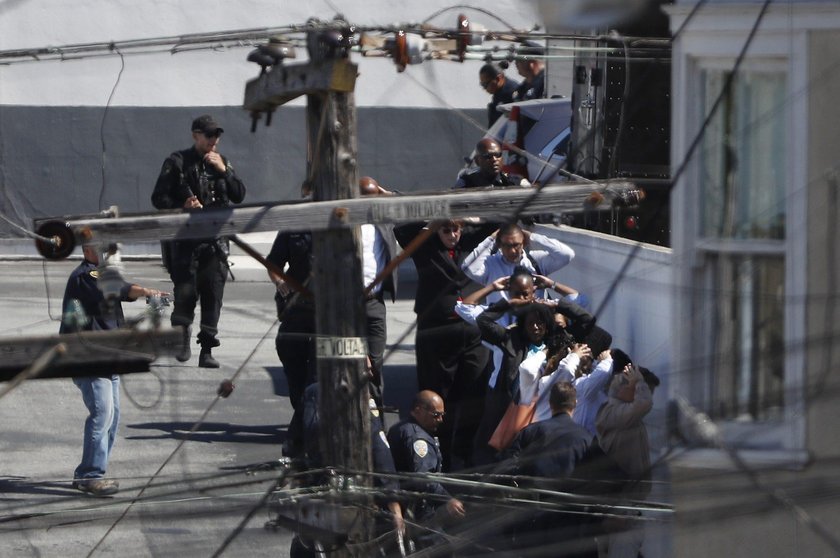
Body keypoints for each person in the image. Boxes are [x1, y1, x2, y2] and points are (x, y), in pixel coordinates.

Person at [60, 244, 168, 496]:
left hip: (109, 357)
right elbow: (120, 289)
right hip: (88, 358)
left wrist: (150, 296)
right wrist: (147, 291)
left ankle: (94, 471)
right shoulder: (86, 275)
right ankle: (90, 475)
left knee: (112, 417)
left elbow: (124, 291)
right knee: (102, 413)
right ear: (88, 250)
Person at [394, 219, 497, 470]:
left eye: (456, 229)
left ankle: (465, 448)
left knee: (475, 390)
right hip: (437, 329)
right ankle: (441, 451)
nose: (452, 235)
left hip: (471, 330)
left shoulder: (470, 243)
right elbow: (402, 228)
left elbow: (496, 220)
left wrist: (472, 219)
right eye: (446, 230)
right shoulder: (425, 247)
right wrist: (433, 220)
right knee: (439, 394)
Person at [151, 114, 246, 368]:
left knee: (213, 295)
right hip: (185, 242)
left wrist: (224, 172)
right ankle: (181, 338)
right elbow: (158, 198)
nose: (214, 140)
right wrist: (182, 204)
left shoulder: (222, 163)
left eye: (217, 135)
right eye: (209, 135)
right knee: (186, 292)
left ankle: (207, 348)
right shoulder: (178, 162)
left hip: (216, 243)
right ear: (196, 135)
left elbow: (239, 195)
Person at [387, 390, 465, 548]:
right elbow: (423, 478)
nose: (440, 420)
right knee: (441, 550)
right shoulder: (417, 438)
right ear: (418, 411)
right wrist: (447, 499)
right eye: (436, 415)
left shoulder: (401, 427)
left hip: (409, 505)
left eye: (442, 414)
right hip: (419, 510)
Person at [595, 363, 658, 558]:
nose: (647, 394)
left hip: (626, 507)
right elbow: (644, 403)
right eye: (642, 389)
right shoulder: (614, 413)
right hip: (619, 509)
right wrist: (638, 381)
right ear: (627, 389)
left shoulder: (626, 417)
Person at [266, 226, 316, 457]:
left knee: (317, 375)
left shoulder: (339, 223)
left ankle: (308, 428)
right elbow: (273, 262)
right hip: (295, 308)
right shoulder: (295, 226)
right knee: (289, 353)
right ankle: (303, 414)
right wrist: (279, 282)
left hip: (327, 311)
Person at [461, 222, 575, 303]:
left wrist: (532, 236)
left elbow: (566, 255)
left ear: (524, 243)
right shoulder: (491, 264)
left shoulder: (535, 260)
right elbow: (468, 267)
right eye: (507, 246)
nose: (512, 251)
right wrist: (491, 239)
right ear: (499, 244)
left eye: (516, 245)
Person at [359, 177, 398, 395]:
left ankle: (376, 422)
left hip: (374, 302)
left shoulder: (384, 220)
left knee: (375, 364)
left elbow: (418, 210)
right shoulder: (342, 221)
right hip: (345, 306)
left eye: (374, 199)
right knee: (351, 361)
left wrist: (390, 197)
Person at [454, 138, 527, 189]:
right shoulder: (465, 183)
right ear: (477, 160)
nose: (494, 159)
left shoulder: (516, 182)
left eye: (498, 155)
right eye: (488, 156)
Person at [479, 62, 520, 127]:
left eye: (485, 84)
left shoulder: (511, 92)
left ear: (498, 78)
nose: (484, 88)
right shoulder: (498, 92)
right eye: (482, 85)